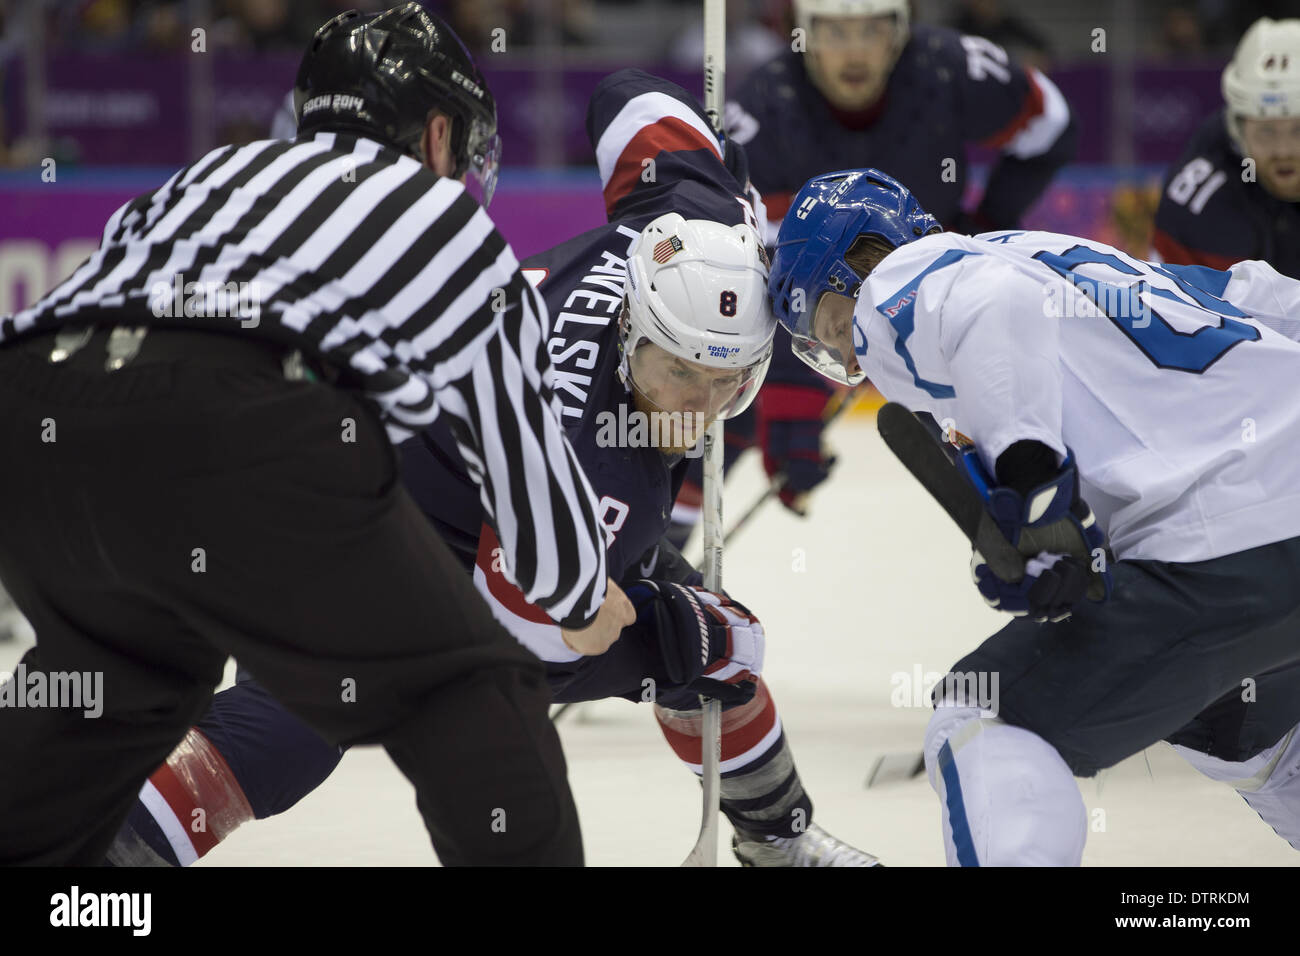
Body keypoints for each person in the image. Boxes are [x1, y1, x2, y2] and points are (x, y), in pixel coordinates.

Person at [108, 69, 882, 868]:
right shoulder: (592, 463)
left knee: (709, 643)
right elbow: (528, 654)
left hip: (408, 469)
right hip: (353, 513)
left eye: (731, 383)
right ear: (630, 330)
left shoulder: (686, 227)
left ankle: (777, 840)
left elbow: (630, 97)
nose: (698, 406)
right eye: (678, 373)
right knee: (304, 720)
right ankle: (97, 854)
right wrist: (673, 639)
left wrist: (727, 189)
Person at [0, 3, 634, 867]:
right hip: (249, 416)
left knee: (118, 680)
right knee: (469, 690)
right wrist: (592, 600)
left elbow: (100, 354)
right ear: (438, 133)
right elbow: (543, 542)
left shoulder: (203, 178)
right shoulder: (453, 229)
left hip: (32, 410)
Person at [767, 167, 1300, 864]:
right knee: (1235, 725)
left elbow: (993, 303)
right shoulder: (1063, 256)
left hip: (1236, 531)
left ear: (859, 260)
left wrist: (1035, 487)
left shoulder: (907, 278)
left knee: (981, 715)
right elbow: (1255, 295)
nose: (846, 353)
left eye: (832, 326)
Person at [665, 0, 1077, 549]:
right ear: (803, 34)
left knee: (1005, 400)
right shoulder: (763, 113)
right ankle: (656, 552)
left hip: (938, 298)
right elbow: (763, 279)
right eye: (835, 31)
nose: (854, 50)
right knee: (725, 406)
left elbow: (1051, 128)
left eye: (872, 30)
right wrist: (790, 395)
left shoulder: (950, 68)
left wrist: (983, 225)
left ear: (901, 31)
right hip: (827, 296)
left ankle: (1054, 533)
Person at [1153, 17, 1300, 278]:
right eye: (1266, 131)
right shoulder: (1195, 204)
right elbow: (1179, 311)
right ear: (1238, 129)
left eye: (1298, 130)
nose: (1283, 151)